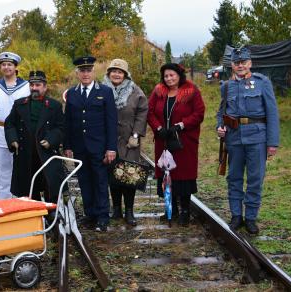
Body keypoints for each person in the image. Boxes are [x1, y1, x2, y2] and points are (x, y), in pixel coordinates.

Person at [216, 47, 279, 234]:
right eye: (237, 63)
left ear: (250, 63)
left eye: (244, 62)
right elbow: (222, 111)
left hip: (257, 138)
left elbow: (272, 113)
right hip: (234, 138)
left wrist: (272, 143)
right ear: (232, 65)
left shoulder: (262, 82)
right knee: (234, 178)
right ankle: (236, 216)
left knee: (254, 179)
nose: (240, 65)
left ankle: (250, 218)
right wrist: (219, 127)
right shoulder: (226, 86)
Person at [147, 63, 205, 227]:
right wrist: (158, 127)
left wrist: (181, 125)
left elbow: (199, 113)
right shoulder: (158, 91)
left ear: (179, 75)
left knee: (183, 176)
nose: (169, 78)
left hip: (184, 141)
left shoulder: (191, 91)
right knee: (167, 174)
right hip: (163, 140)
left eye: (172, 75)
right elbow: (149, 112)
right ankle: (170, 210)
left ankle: (185, 211)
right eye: (166, 76)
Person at [64, 56, 118, 232]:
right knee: (84, 181)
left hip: (99, 147)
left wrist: (111, 147)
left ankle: (103, 216)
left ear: (94, 72)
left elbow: (111, 121)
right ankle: (90, 214)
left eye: (88, 70)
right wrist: (68, 146)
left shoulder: (105, 91)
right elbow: (69, 122)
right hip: (80, 147)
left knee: (100, 181)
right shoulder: (72, 93)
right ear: (77, 73)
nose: (85, 74)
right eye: (82, 71)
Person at [5, 71, 65, 203]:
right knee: (27, 188)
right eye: (32, 85)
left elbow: (60, 128)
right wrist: (13, 139)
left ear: (45, 86)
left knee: (50, 184)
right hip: (25, 152)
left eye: (38, 85)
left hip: (45, 153)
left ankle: (51, 213)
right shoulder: (20, 104)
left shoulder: (55, 106)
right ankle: (32, 212)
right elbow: (9, 124)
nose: (34, 88)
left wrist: (51, 140)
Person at [102, 59, 148, 226]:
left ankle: (129, 211)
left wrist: (136, 134)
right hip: (109, 140)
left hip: (129, 141)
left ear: (125, 74)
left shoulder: (135, 91)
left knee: (129, 176)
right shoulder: (101, 89)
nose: (116, 74)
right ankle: (116, 210)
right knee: (113, 174)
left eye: (120, 72)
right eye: (113, 71)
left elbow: (142, 112)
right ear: (108, 73)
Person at [0, 52, 30, 199]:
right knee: (2, 172)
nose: (6, 67)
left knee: (21, 170)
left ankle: (20, 202)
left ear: (15, 67)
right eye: (3, 64)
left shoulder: (26, 86)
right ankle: (4, 202)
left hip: (20, 133)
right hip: (0, 132)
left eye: (9, 64)